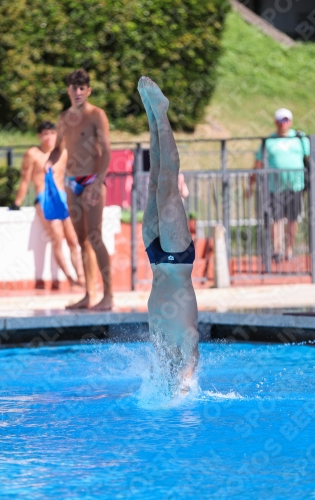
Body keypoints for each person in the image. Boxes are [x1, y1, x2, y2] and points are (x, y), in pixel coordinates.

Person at [138, 76, 199, 394]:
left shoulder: (162, 358)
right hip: (176, 260)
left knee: (153, 182)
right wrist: (185, 387)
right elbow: (192, 361)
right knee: (167, 183)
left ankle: (151, 115)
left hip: (155, 258)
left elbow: (154, 378)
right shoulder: (188, 349)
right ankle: (161, 111)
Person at [45, 69, 112, 311]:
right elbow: (58, 148)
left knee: (95, 237)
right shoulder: (64, 119)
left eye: (82, 88)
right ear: (68, 90)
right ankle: (88, 294)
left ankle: (109, 296)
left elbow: (107, 152)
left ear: (89, 90)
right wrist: (50, 161)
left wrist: (98, 182)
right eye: (74, 87)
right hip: (72, 182)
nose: (78, 92)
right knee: (81, 240)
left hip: (92, 179)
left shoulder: (97, 115)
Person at [11, 121, 85, 288]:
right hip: (44, 198)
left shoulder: (62, 153)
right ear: (40, 136)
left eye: (52, 133)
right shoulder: (33, 154)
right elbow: (25, 180)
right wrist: (16, 203)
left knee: (73, 239)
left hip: (62, 198)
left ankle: (81, 277)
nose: (49, 137)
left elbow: (75, 175)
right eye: (45, 134)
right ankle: (70, 279)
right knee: (57, 237)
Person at [251, 108, 310, 263]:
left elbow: (310, 158)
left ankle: (289, 250)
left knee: (292, 219)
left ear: (290, 121)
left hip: (295, 186)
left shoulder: (300, 138)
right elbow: (258, 163)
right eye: (281, 120)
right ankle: (277, 250)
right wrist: (250, 185)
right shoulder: (269, 141)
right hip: (274, 186)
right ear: (275, 121)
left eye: (286, 120)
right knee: (276, 219)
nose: (283, 123)